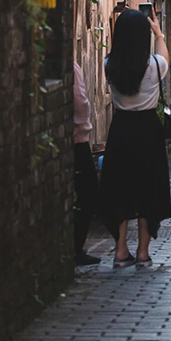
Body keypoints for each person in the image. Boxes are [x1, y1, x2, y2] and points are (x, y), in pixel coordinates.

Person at [101, 8, 171, 269]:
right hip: (147, 130)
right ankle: (143, 252)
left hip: (120, 129)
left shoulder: (110, 65)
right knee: (148, 190)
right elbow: (165, 57)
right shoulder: (154, 65)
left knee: (120, 188)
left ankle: (120, 251)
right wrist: (159, 33)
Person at [73, 61, 101, 266]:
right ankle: (74, 248)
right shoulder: (69, 66)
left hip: (79, 137)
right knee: (88, 194)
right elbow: (80, 103)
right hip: (77, 139)